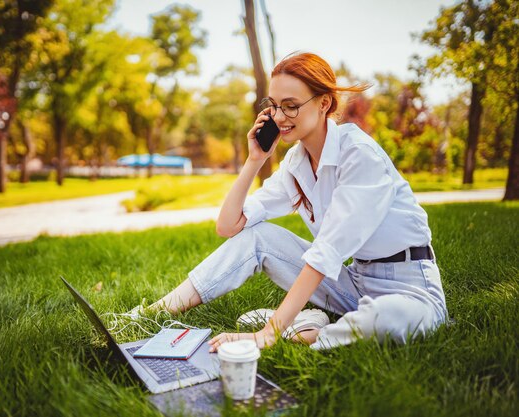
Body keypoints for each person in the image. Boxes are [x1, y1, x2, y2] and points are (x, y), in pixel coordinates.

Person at [131, 52, 448, 351]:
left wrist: (268, 334)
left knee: (384, 319)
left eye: (291, 106)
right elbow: (228, 226)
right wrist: (254, 160)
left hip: (409, 289)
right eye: (274, 106)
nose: (280, 117)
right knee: (258, 236)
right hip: (355, 281)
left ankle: (304, 329)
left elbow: (326, 252)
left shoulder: (358, 154)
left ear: (324, 103)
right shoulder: (297, 163)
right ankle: (151, 313)